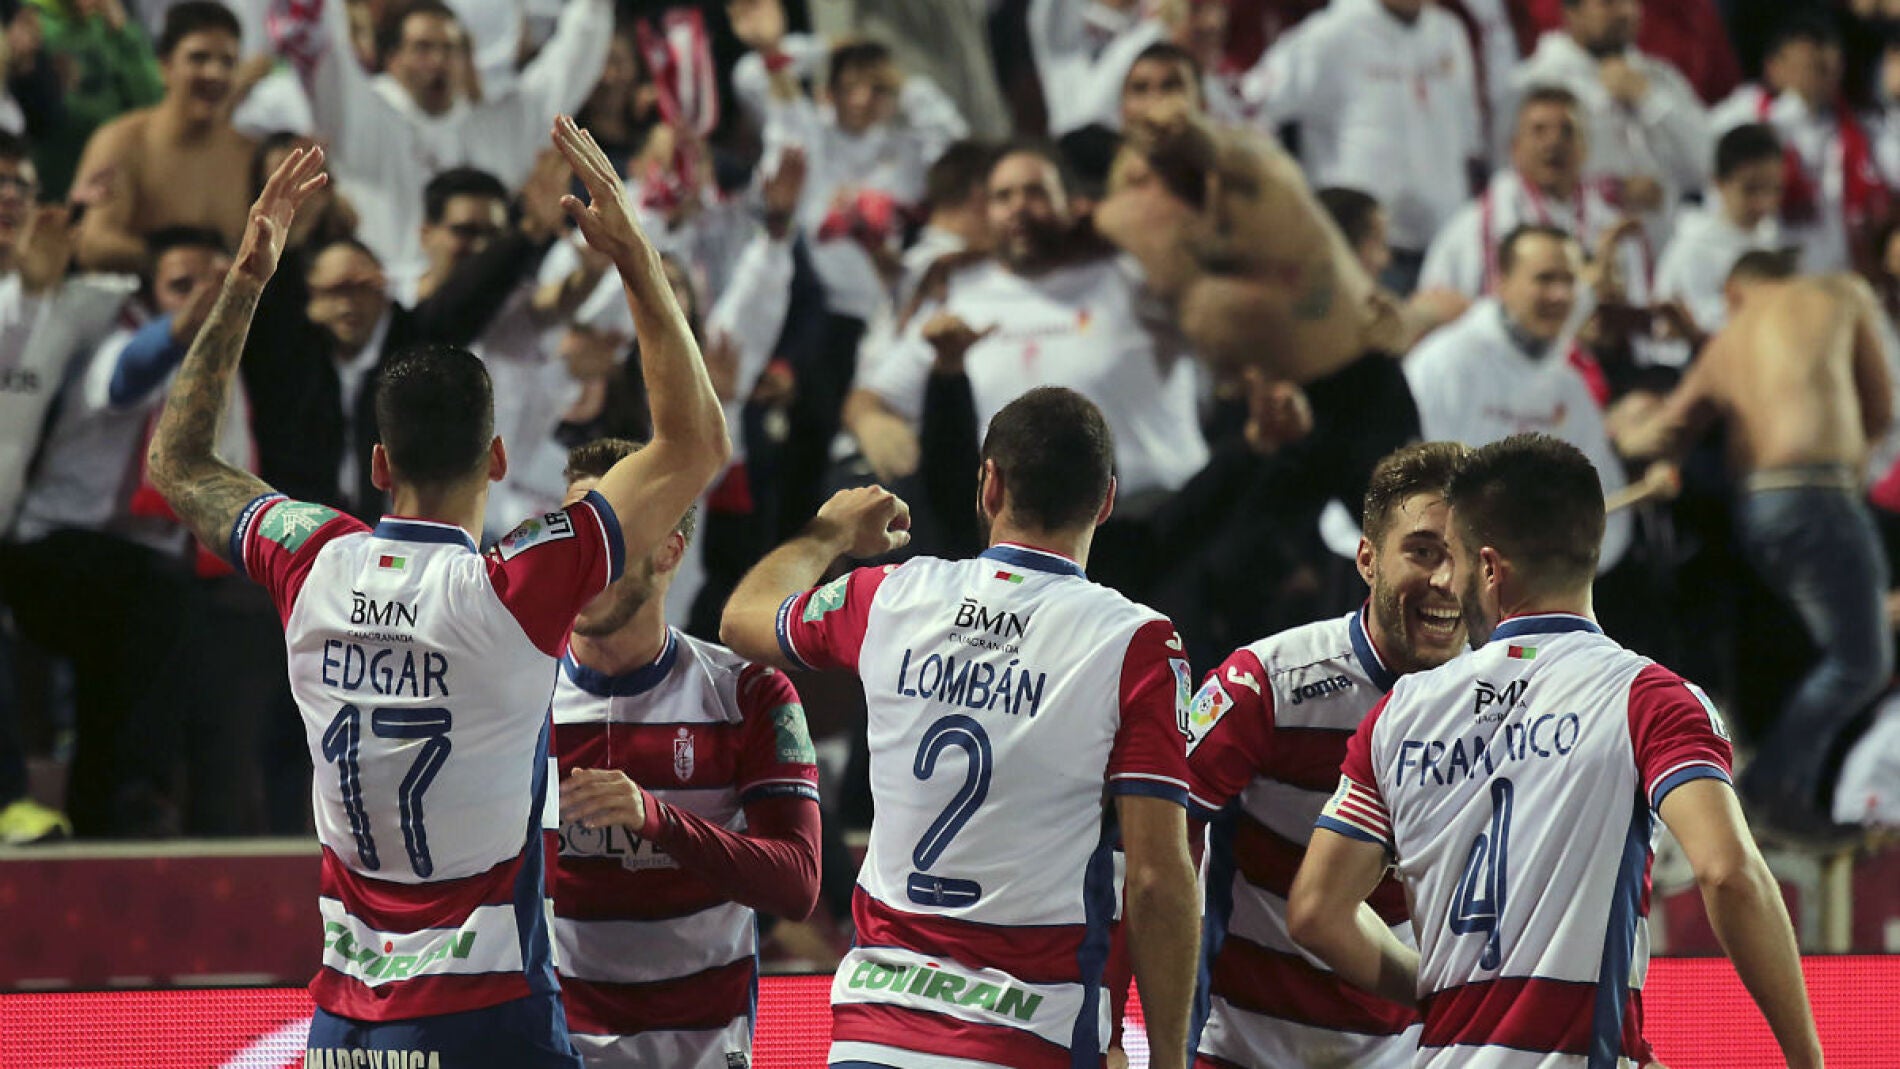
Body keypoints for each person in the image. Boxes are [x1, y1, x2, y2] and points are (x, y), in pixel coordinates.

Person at [144, 119, 728, 1063]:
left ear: (378, 463)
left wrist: (247, 278)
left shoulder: (313, 558)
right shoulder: (513, 587)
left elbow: (176, 461)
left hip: (346, 1021)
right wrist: (636, 261)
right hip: (485, 1016)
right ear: (498, 457)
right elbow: (694, 445)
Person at [1287, 433, 1823, 1069]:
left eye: (1453, 557)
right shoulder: (1650, 699)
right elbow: (1728, 873)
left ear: (1490, 568)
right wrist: (1805, 1060)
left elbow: (1317, 911)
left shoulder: (1399, 713)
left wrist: (1444, 1000)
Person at [720, 386, 1200, 1069]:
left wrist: (828, 532)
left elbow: (743, 616)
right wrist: (1172, 1059)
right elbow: (1157, 877)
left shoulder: (889, 593)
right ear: (1107, 500)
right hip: (1030, 1031)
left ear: (990, 483)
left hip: (876, 1029)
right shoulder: (1137, 643)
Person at [1184, 441, 1468, 1069]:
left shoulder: (1511, 704)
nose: (1446, 580)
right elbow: (1152, 859)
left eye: (1465, 555)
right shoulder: (1265, 684)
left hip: (1414, 1053)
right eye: (1421, 551)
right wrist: (1122, 1032)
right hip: (1241, 1050)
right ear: (1367, 559)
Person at [549, 437, 822, 1068]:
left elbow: (798, 884)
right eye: (574, 533)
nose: (587, 559)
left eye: (611, 537)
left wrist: (657, 820)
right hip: (557, 1049)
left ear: (671, 548)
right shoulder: (518, 694)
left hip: (700, 1051)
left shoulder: (747, 691)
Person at [1627, 253, 1895, 834]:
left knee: (1819, 648)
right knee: (1864, 662)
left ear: (1733, 291)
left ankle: (1781, 784)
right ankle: (1770, 788)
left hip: (1755, 512)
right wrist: (1853, 459)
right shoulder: (1838, 289)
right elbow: (1882, 406)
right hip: (1819, 492)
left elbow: (1666, 430)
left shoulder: (1724, 343)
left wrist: (1623, 423)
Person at [270, 0, 613, 296]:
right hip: (379, 307)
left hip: (475, 317)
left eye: (451, 49)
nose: (438, 61)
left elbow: (572, 63)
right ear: (392, 57)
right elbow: (322, 44)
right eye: (423, 48)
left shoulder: (498, 128)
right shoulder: (358, 113)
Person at [1404, 225, 1636, 575]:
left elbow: (1601, 502)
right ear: (1502, 282)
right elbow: (1407, 483)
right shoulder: (1443, 363)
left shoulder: (1570, 388)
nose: (1559, 295)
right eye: (1544, 279)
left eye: (1569, 281)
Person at [1242, 0, 1483, 293]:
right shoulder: (1330, 33)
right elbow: (1250, 106)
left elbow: (1468, 138)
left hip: (1443, 246)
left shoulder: (1449, 31)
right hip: (1361, 249)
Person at [70, 1, 253, 272]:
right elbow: (92, 244)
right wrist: (175, 264)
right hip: (134, 306)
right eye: (199, 58)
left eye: (228, 62)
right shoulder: (121, 142)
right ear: (164, 67)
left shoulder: (248, 153)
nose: (215, 73)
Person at [1419, 85, 1647, 302]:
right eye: (1539, 131)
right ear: (1515, 148)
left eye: (1567, 131)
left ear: (1585, 148)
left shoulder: (1611, 229)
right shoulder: (1469, 230)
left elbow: (1638, 313)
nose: (1553, 143)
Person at [1514, 0, 1710, 238]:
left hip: (1659, 243)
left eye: (1632, 3)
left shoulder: (1660, 79)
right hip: (1574, 245)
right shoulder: (1533, 83)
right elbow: (1518, 180)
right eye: (1608, 3)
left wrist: (1648, 100)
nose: (1625, 12)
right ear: (1571, 13)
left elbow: (1709, 163)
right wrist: (1611, 191)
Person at [1709, 14, 1885, 275]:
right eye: (1813, 66)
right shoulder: (1741, 112)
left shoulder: (1856, 126)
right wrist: (1788, 113)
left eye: (1831, 67)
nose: (1824, 76)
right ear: (1774, 66)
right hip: (1757, 259)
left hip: (1835, 264)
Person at [1653, 123, 1785, 334]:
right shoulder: (1693, 249)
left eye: (1774, 189)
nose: (1765, 203)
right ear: (1718, 183)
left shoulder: (1773, 235)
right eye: (1751, 190)